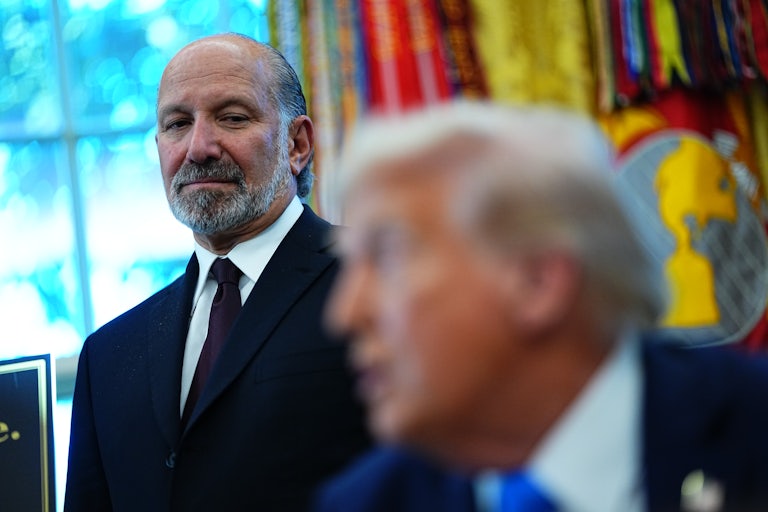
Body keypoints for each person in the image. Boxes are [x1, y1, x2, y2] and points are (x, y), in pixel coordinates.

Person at [312, 101, 768, 512]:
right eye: (350, 264)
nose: (345, 314)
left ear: (538, 281)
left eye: (388, 256)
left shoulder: (752, 429)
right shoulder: (365, 502)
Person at [64, 33, 370, 512]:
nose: (199, 147)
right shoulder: (106, 356)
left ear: (297, 144)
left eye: (232, 117)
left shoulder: (379, 282)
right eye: (177, 124)